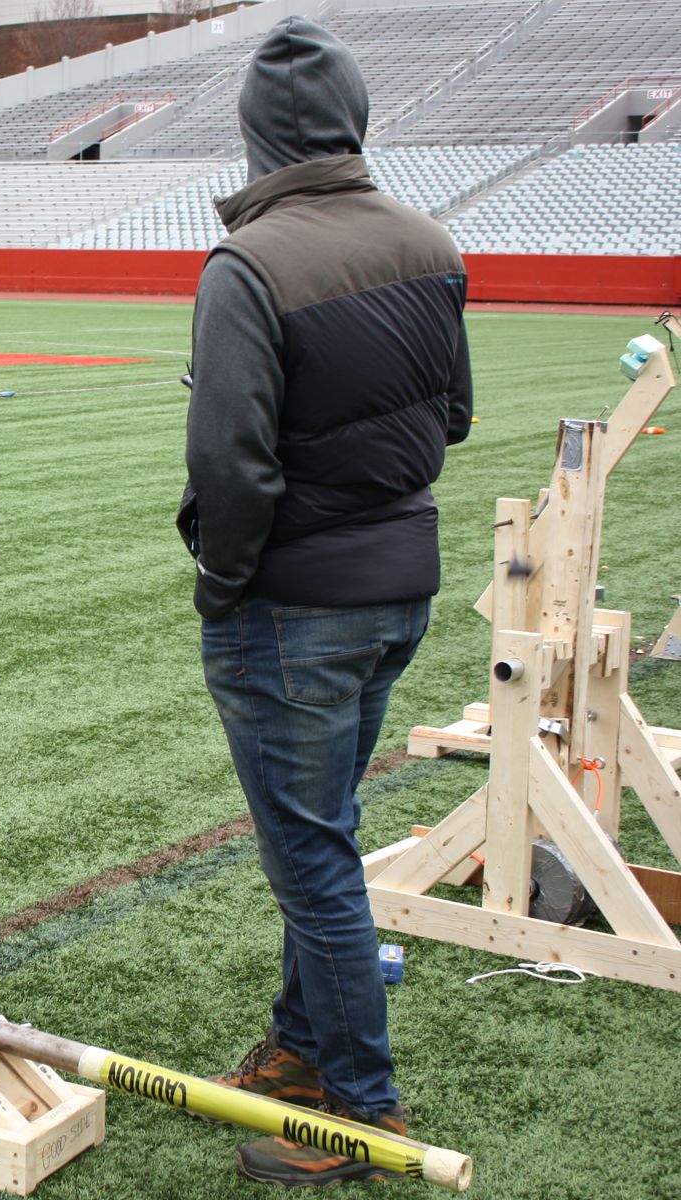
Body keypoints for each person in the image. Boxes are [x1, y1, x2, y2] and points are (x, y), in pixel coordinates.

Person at [179, 16, 472, 1188]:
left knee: (313, 863)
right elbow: (451, 416)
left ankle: (362, 1110)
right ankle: (302, 1053)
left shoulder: (248, 265)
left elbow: (232, 465)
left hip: (295, 603)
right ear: (355, 123)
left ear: (256, 140)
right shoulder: (428, 240)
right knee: (325, 838)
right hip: (401, 583)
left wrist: (223, 580)